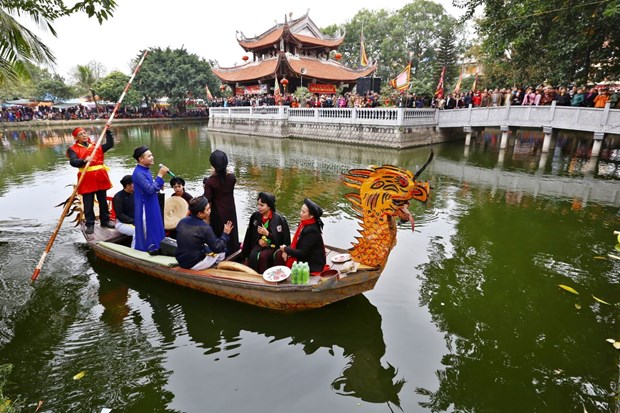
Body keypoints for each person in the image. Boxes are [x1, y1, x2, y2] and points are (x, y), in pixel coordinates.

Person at [67, 127, 115, 234]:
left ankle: (105, 220)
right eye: (80, 134)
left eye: (84, 133)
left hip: (100, 176)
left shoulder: (96, 146)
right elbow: (73, 162)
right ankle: (90, 224)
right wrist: (84, 160)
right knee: (88, 202)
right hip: (86, 178)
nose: (84, 135)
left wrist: (108, 132)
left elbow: (109, 144)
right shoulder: (73, 149)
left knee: (102, 200)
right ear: (76, 137)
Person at [175, 196, 233, 270]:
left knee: (207, 248)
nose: (210, 211)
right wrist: (225, 234)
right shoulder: (205, 228)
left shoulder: (182, 221)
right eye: (207, 209)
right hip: (193, 264)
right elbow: (217, 248)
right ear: (199, 213)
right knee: (222, 251)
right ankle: (215, 268)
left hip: (181, 260)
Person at [241, 192, 290, 273]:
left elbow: (282, 239)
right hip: (258, 245)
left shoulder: (279, 219)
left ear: (269, 206)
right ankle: (253, 276)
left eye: (262, 205)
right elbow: (249, 235)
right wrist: (245, 255)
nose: (259, 207)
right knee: (253, 255)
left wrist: (268, 234)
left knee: (263, 256)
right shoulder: (255, 216)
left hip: (273, 246)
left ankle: (265, 276)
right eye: (258, 204)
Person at [132, 145, 168, 252]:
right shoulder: (138, 173)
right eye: (149, 156)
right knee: (148, 228)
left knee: (156, 224)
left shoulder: (145, 170)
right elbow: (150, 190)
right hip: (145, 205)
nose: (152, 157)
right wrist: (160, 176)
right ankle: (147, 249)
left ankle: (158, 246)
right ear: (141, 159)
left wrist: (158, 183)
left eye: (151, 155)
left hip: (152, 203)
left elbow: (150, 186)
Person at [203, 150, 239, 254]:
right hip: (230, 209)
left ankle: (222, 255)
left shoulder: (210, 181)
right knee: (232, 230)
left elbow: (207, 201)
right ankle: (234, 252)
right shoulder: (232, 178)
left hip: (217, 212)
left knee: (219, 233)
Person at [276, 198, 326, 274]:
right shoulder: (304, 224)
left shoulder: (311, 231)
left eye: (303, 212)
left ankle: (281, 277)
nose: (300, 213)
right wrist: (286, 250)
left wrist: (286, 249)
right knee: (279, 253)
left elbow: (302, 253)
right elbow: (297, 243)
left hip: (311, 263)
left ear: (311, 216)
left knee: (279, 255)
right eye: (301, 210)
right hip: (305, 255)